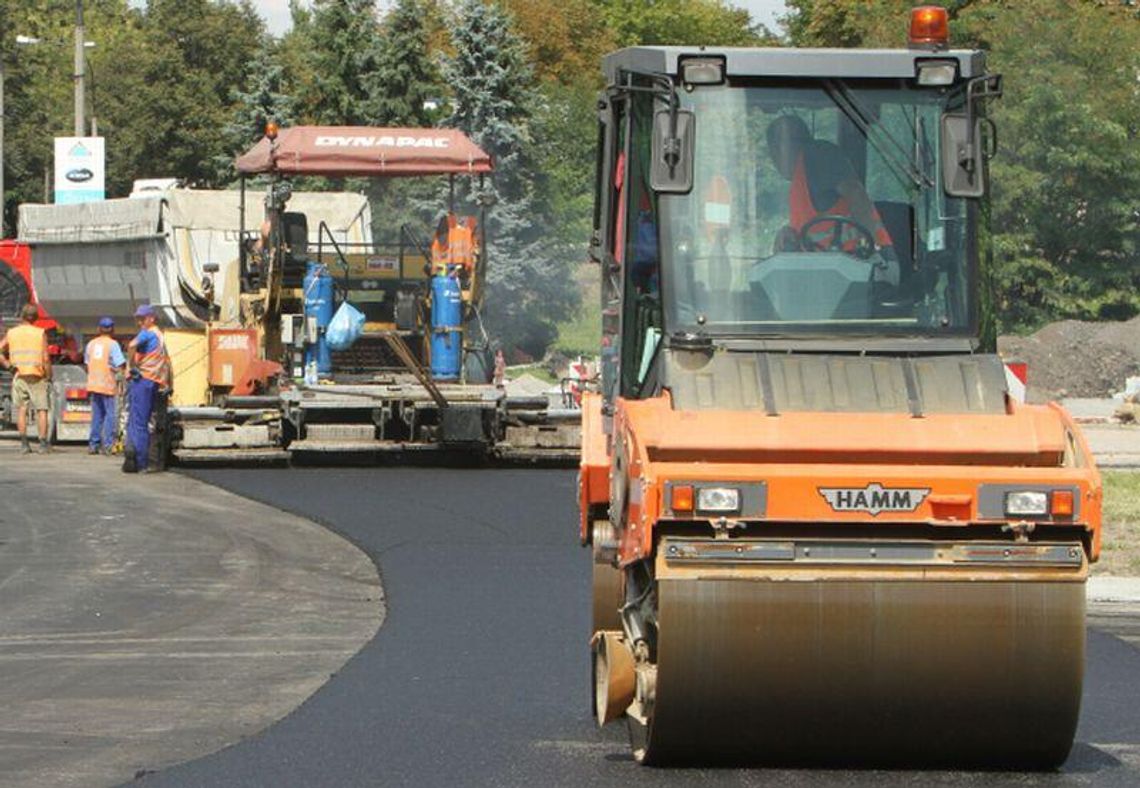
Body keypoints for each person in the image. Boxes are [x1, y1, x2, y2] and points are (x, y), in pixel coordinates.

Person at [765, 114, 899, 285]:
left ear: (782, 146)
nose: (774, 158)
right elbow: (818, 228)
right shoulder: (800, 180)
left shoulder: (817, 155)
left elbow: (856, 193)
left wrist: (870, 251)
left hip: (869, 268)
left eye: (776, 148)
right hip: (839, 272)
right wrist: (791, 234)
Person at [124, 304, 172, 473]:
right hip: (154, 382)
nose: (139, 322)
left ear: (151, 318)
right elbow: (166, 362)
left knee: (138, 423)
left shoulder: (148, 333)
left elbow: (131, 345)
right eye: (137, 319)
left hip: (142, 381)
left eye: (142, 319)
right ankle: (138, 456)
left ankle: (139, 461)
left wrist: (131, 365)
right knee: (143, 422)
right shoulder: (160, 335)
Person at [0, 303, 52, 454]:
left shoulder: (12, 333)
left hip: (19, 375)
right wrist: (49, 376)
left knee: (22, 409)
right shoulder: (40, 333)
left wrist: (8, 365)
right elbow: (46, 358)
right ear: (35, 318)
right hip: (37, 376)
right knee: (42, 409)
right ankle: (42, 444)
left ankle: (24, 444)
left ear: (22, 316)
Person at [85, 317, 126, 455]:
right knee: (110, 415)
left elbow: (87, 363)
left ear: (99, 329)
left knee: (97, 415)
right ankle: (108, 444)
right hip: (108, 384)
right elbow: (120, 365)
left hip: (94, 384)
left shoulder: (90, 344)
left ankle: (93, 444)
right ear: (112, 330)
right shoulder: (113, 344)